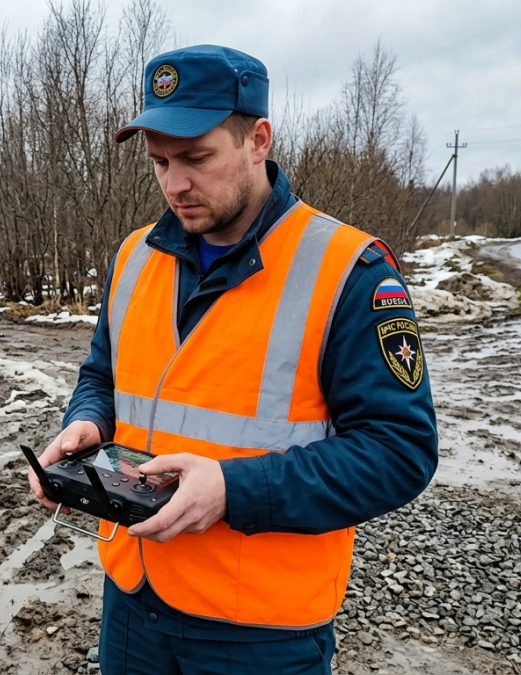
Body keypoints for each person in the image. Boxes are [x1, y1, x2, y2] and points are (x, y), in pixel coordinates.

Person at [27, 44, 438, 675]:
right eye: (159, 162)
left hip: (260, 632)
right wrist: (86, 425)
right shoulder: (135, 257)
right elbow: (101, 376)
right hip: (134, 598)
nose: (175, 184)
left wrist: (232, 490)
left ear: (258, 140)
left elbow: (399, 450)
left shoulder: (349, 271)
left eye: (196, 157)